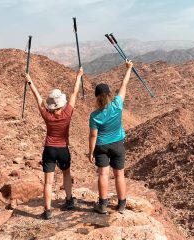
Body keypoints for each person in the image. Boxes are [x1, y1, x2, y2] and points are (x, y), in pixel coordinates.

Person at [25, 67, 84, 220]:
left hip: (49, 149)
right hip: (63, 149)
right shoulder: (67, 113)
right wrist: (78, 76)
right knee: (66, 173)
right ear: (61, 103)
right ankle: (69, 200)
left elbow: (38, 99)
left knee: (48, 182)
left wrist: (30, 82)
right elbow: (74, 94)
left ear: (51, 105)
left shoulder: (47, 115)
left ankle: (48, 210)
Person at [88, 60, 133, 214]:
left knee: (103, 174)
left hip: (101, 146)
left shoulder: (94, 115)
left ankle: (103, 205)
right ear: (108, 95)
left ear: (96, 97)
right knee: (119, 174)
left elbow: (93, 135)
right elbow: (124, 85)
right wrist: (128, 69)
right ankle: (121, 204)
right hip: (117, 144)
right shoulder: (117, 105)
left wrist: (91, 152)